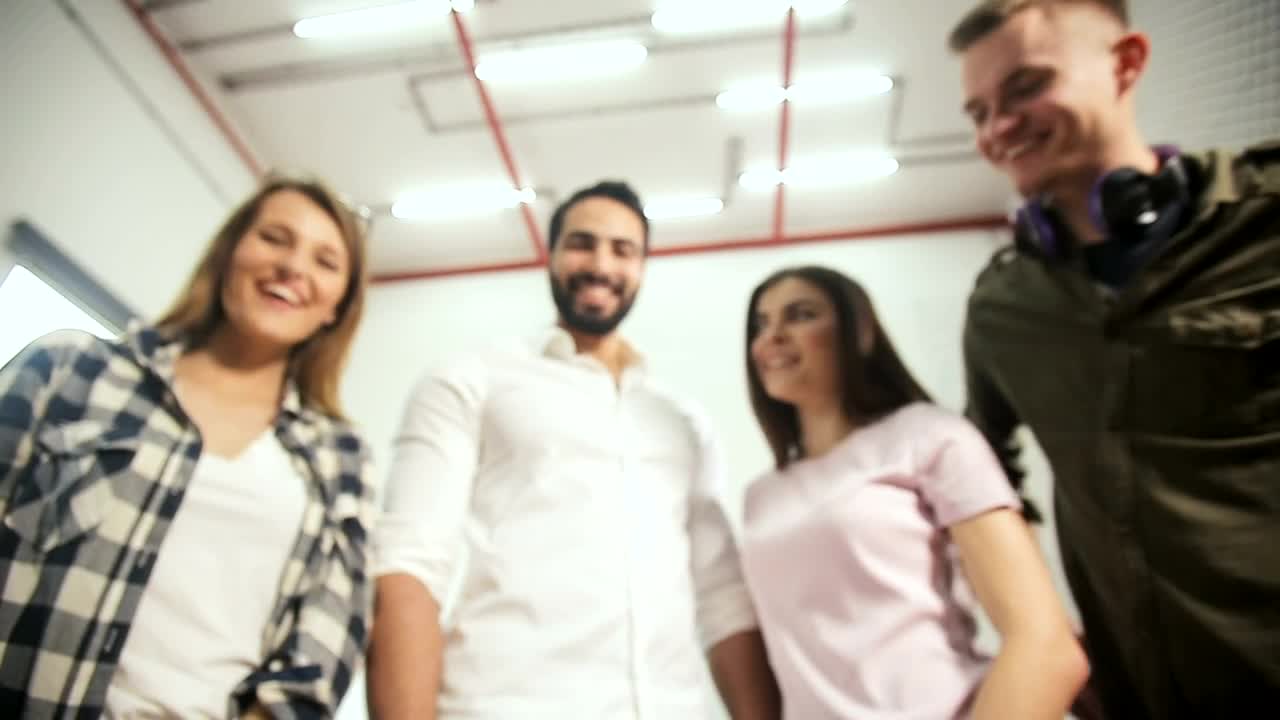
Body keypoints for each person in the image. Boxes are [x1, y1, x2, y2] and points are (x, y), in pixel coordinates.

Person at [949, 0, 1280, 716]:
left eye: (1026, 87)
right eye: (978, 113)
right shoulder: (1001, 307)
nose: (999, 128)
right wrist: (1044, 634)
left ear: (1126, 63)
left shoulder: (1265, 218)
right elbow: (983, 477)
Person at [367, 180, 780, 719]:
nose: (601, 264)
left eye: (623, 250)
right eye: (583, 243)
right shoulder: (470, 379)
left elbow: (722, 597)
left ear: (642, 268)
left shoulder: (682, 422)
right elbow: (409, 565)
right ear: (552, 253)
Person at [0, 173, 377, 717]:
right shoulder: (68, 368)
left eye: (326, 260)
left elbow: (323, 645)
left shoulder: (341, 458)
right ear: (229, 253)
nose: (293, 267)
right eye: (275, 238)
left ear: (336, 307)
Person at [739, 265, 1088, 719]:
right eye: (761, 324)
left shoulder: (928, 436)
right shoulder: (761, 498)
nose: (774, 336)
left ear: (861, 332)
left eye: (801, 315)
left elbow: (1046, 646)